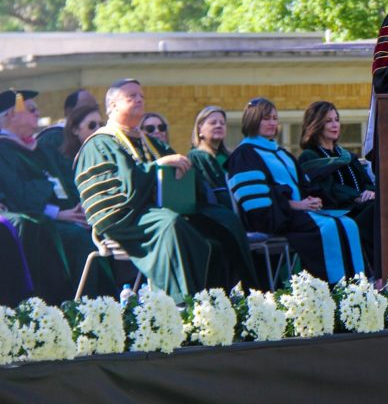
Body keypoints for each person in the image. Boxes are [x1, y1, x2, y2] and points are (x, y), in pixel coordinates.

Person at [74, 79, 223, 302]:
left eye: (142, 96)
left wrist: (183, 171)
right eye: (131, 96)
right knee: (171, 224)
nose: (139, 99)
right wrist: (158, 167)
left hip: (156, 214)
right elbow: (117, 194)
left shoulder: (152, 143)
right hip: (123, 219)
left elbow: (182, 175)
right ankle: (180, 305)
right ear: (113, 105)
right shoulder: (100, 144)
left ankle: (224, 302)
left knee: (219, 226)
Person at [225, 98, 364, 283]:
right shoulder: (244, 154)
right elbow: (257, 205)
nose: (273, 123)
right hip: (273, 217)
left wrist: (314, 199)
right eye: (266, 118)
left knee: (347, 224)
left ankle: (358, 286)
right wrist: (295, 205)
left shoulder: (280, 152)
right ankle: (331, 289)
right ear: (252, 120)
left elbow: (304, 184)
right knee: (328, 227)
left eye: (275, 118)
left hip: (297, 214)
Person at [0, 89, 99, 302]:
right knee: (78, 240)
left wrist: (80, 207)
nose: (38, 113)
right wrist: (58, 214)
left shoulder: (39, 148)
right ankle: (80, 307)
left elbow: (66, 180)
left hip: (70, 217)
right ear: (10, 115)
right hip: (43, 222)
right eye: (31, 109)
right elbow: (17, 195)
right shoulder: (3, 150)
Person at [298, 101, 375, 273]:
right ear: (316, 124)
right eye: (328, 121)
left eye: (336, 120)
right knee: (375, 213)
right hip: (338, 212)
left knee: (384, 209)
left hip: (363, 207)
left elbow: (366, 182)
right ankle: (373, 272)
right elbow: (325, 189)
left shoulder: (346, 155)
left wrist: (371, 192)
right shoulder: (310, 157)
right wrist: (355, 196)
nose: (335, 125)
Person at [187, 105, 259, 288]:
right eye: (212, 122)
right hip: (216, 220)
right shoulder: (195, 158)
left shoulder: (230, 157)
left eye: (222, 123)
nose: (219, 125)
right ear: (200, 130)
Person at [54, 104, 103, 203]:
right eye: (92, 125)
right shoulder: (65, 162)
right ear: (75, 130)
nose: (98, 129)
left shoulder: (106, 154)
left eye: (101, 125)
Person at [35, 88, 98, 159]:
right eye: (86, 108)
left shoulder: (97, 137)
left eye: (95, 108)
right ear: (69, 112)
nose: (92, 113)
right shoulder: (51, 139)